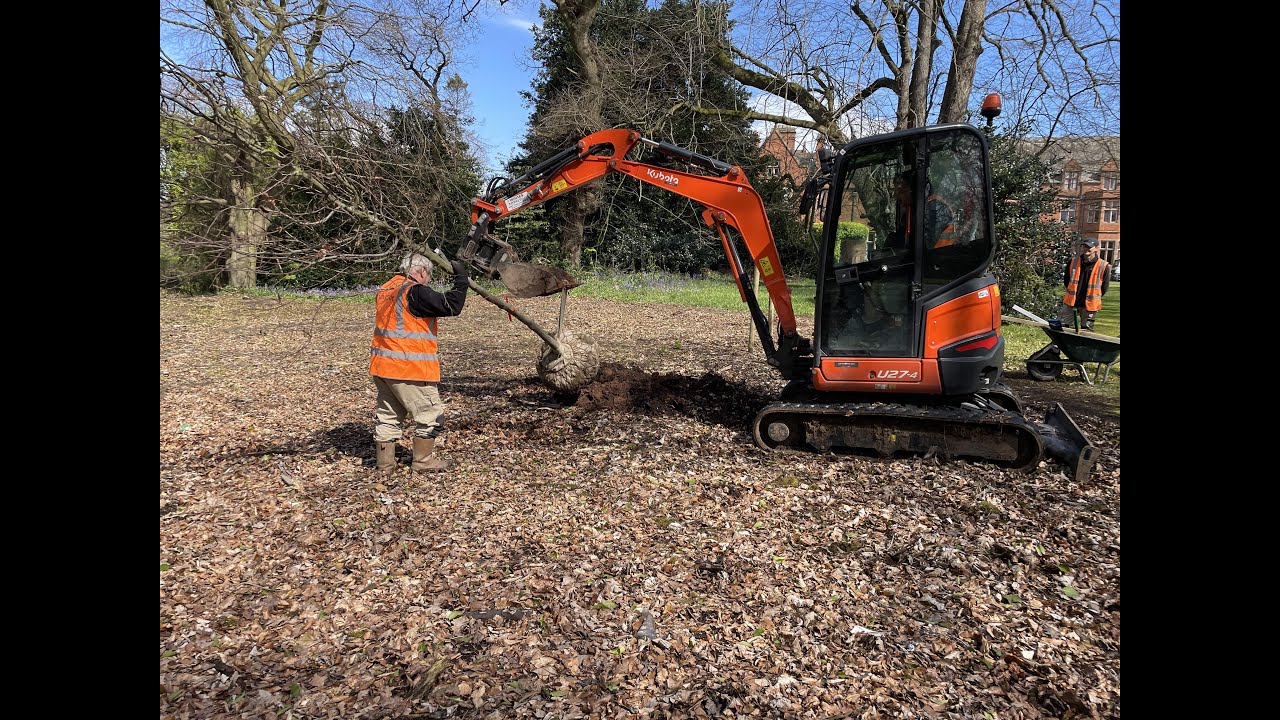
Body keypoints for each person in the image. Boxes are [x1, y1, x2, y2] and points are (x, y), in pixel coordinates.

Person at [370, 252, 470, 472]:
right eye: (429, 276)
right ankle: (423, 461)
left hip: (383, 366)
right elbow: (451, 305)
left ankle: (384, 464)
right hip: (409, 369)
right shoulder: (414, 291)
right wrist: (462, 279)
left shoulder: (387, 288)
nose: (428, 281)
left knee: (388, 416)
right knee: (431, 415)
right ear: (422, 271)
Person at [1058, 238, 1111, 331]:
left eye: (1089, 247)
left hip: (1090, 305)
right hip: (1071, 302)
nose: (1086, 249)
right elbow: (1067, 280)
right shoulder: (1073, 262)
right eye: (1084, 246)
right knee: (1063, 328)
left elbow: (1104, 287)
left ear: (1096, 248)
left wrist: (1094, 296)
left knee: (1086, 331)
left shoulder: (1103, 266)